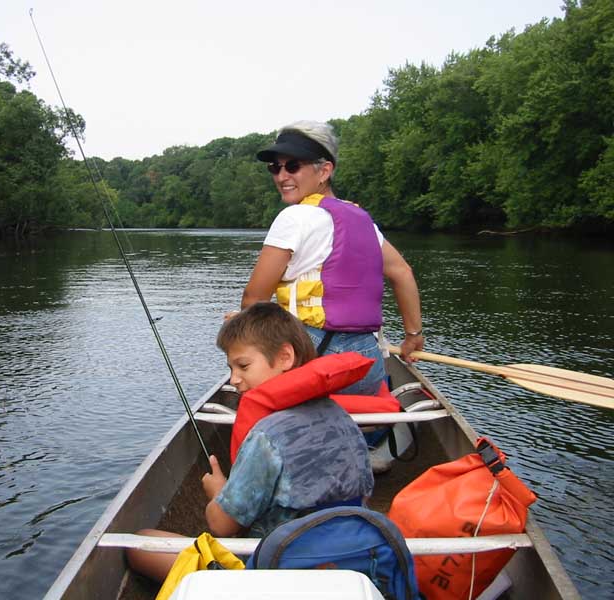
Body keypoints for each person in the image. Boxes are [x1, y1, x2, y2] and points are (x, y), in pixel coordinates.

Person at [126, 302, 374, 582]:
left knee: (140, 545)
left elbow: (221, 525)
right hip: (350, 561)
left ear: (285, 357)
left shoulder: (267, 436)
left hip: (278, 574)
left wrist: (218, 493)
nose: (233, 379)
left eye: (243, 366)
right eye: (231, 368)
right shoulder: (341, 417)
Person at [241, 120, 424, 395]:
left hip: (311, 354)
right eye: (275, 167)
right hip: (367, 359)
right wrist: (413, 335)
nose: (281, 176)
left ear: (325, 170)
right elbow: (403, 273)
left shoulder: (294, 217)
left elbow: (253, 299)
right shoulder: (363, 220)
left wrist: (243, 327)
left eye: (293, 166)